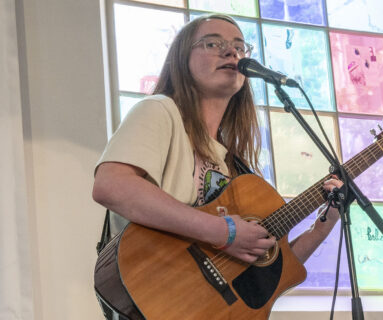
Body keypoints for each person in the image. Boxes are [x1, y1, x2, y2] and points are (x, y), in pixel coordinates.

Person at [92, 13, 342, 317]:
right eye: (212, 43)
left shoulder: (232, 163)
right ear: (182, 60)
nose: (231, 52)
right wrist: (223, 231)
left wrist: (321, 227)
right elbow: (111, 185)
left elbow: (266, 277)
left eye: (239, 46)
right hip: (154, 290)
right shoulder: (159, 110)